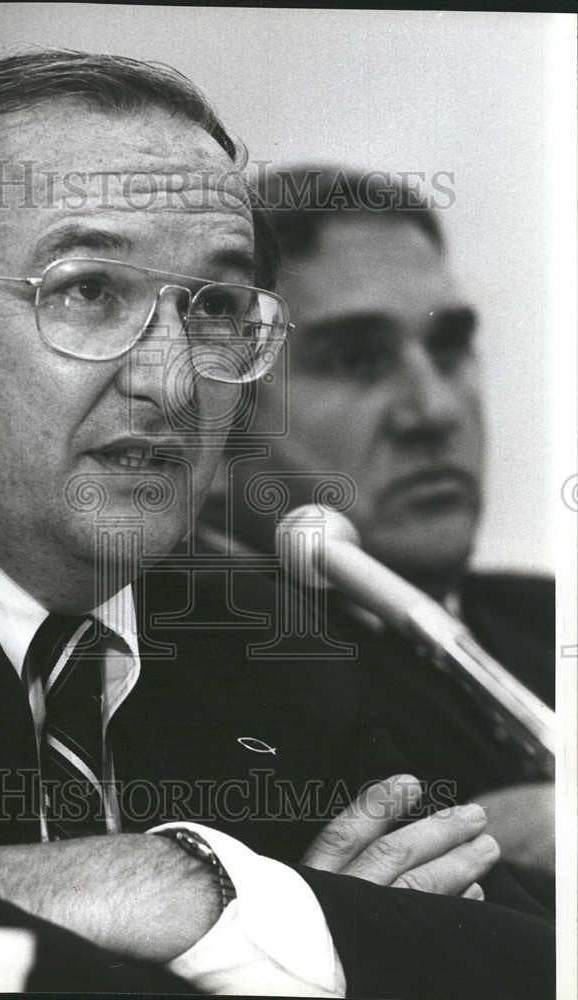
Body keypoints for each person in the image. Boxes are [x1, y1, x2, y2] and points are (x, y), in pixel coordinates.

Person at [0, 54, 553, 996]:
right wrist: (248, 907)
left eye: (218, 309)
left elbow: (531, 958)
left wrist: (223, 902)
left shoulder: (263, 632)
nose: (173, 378)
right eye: (89, 292)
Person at [198, 163, 554, 895]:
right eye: (357, 360)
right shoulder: (198, 666)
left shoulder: (547, 619)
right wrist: (500, 834)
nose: (433, 411)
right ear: (216, 416)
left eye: (448, 347)